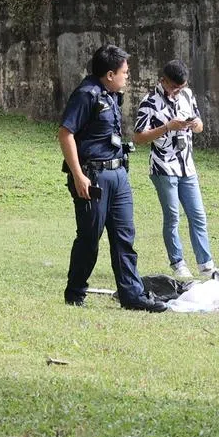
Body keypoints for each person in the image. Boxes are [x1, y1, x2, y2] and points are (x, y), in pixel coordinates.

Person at [58, 44, 167, 312]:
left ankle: (132, 295)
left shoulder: (112, 95)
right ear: (109, 74)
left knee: (124, 236)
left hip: (118, 174)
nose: (127, 76)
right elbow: (65, 133)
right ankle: (75, 293)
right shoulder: (86, 95)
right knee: (89, 238)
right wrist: (78, 175)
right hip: (93, 176)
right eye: (124, 72)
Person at [133, 59, 215, 279]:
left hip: (187, 166)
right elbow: (138, 137)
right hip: (163, 166)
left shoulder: (187, 95)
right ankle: (177, 262)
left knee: (197, 215)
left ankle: (206, 264)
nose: (178, 91)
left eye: (182, 87)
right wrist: (167, 127)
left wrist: (194, 124)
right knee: (173, 216)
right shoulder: (149, 102)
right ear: (163, 81)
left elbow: (200, 125)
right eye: (174, 87)